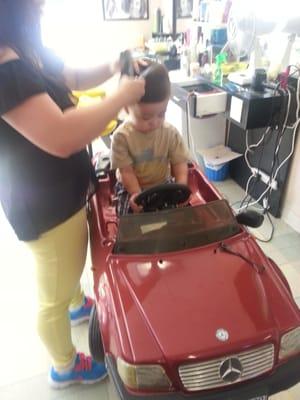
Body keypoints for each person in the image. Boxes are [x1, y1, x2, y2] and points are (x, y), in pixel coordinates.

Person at [0, 0, 145, 388]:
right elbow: (63, 135)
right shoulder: (4, 65)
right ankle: (64, 365)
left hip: (60, 191)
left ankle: (76, 304)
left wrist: (114, 65)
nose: (42, 7)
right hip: (43, 205)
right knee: (52, 290)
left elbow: (74, 77)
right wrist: (120, 97)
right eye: (36, 4)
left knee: (70, 263)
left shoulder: (25, 47)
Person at [111, 62, 190, 215]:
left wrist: (181, 188)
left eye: (162, 114)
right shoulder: (121, 138)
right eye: (146, 117)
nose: (155, 122)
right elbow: (126, 172)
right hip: (132, 187)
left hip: (162, 183)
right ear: (127, 107)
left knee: (180, 214)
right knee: (129, 216)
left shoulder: (170, 133)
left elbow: (179, 164)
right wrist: (136, 193)